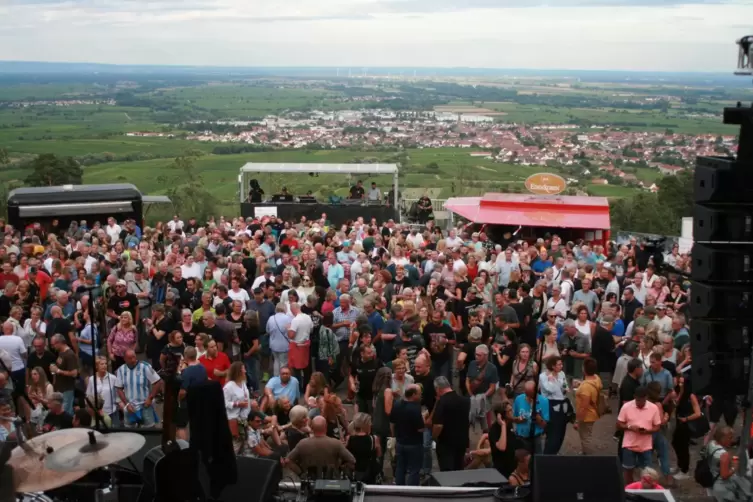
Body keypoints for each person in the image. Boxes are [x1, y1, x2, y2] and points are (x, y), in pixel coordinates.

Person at [617, 386, 661, 484]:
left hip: (646, 446)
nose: (639, 403)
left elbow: (657, 426)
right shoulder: (626, 406)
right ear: (634, 397)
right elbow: (619, 423)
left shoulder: (653, 408)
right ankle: (628, 489)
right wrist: (629, 427)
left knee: (648, 472)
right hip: (629, 444)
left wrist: (647, 431)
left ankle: (645, 490)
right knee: (628, 470)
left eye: (641, 400)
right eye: (637, 400)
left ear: (646, 397)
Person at [286, 415, 356, 477]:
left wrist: (301, 473)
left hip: (309, 481)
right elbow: (352, 460)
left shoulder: (302, 443)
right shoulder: (336, 443)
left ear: (312, 428)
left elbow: (288, 460)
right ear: (326, 427)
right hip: (332, 482)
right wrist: (340, 469)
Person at [703, 425, 752, 501]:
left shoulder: (711, 444)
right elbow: (724, 475)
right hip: (723, 486)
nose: (732, 440)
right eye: (730, 438)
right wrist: (734, 468)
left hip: (712, 480)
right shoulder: (724, 454)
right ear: (722, 438)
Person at [115, 349, 162, 428]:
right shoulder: (121, 370)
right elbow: (119, 388)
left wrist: (150, 398)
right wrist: (126, 404)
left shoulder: (145, 367)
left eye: (134, 357)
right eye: (130, 358)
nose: (133, 360)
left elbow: (158, 382)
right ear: (125, 359)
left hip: (145, 406)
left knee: (149, 431)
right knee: (130, 434)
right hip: (130, 407)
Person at [432, 376, 471, 472]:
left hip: (446, 445)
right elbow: (468, 422)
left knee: (447, 473)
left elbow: (438, 425)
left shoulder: (442, 402)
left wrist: (434, 437)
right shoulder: (465, 401)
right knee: (458, 470)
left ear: (438, 389)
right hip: (461, 442)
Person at [391, 384, 425, 486]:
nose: (420, 396)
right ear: (413, 394)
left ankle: (399, 489)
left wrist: (395, 436)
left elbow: (392, 423)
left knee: (400, 467)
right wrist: (424, 417)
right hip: (414, 444)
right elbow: (421, 429)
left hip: (400, 443)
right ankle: (411, 491)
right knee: (414, 470)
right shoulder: (415, 408)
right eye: (419, 394)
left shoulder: (396, 404)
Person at [539, 355, 570, 455]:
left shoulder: (561, 374)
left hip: (562, 403)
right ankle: (548, 454)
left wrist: (565, 388)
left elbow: (565, 385)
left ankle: (555, 451)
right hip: (550, 404)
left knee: (561, 430)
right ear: (552, 366)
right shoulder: (543, 376)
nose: (561, 366)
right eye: (559, 364)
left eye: (561, 364)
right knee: (553, 432)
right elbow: (550, 389)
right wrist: (551, 379)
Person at [512, 380, 549, 454]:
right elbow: (513, 418)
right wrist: (519, 419)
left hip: (536, 437)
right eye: (526, 394)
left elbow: (544, 425)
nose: (528, 397)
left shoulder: (544, 401)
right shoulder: (519, 399)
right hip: (521, 436)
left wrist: (537, 416)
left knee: (537, 461)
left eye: (531, 395)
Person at [574, 357, 601, 455]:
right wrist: (581, 383)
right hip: (593, 412)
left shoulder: (585, 387)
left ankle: (588, 457)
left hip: (586, 416)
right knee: (587, 435)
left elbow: (583, 406)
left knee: (585, 438)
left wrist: (577, 421)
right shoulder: (597, 378)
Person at [346, 412, 382, 483]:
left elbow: (346, 455)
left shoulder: (349, 439)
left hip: (355, 472)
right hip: (370, 473)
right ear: (366, 425)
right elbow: (379, 454)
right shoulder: (374, 439)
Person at [224, 361, 251, 454]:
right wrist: (238, 404)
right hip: (233, 419)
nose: (245, 371)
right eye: (243, 369)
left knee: (244, 443)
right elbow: (225, 403)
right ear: (238, 371)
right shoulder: (228, 387)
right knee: (236, 443)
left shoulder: (243, 383)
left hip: (244, 417)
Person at [86, 356, 121, 427]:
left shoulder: (113, 378)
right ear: (96, 366)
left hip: (112, 412)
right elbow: (88, 396)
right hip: (97, 414)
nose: (104, 366)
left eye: (105, 364)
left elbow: (118, 396)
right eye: (101, 364)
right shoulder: (92, 379)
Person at [50, 333, 78, 415]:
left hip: (67, 388)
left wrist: (58, 371)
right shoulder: (61, 352)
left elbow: (74, 373)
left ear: (59, 342)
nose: (52, 347)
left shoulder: (69, 355)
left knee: (66, 411)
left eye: (53, 344)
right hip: (60, 388)